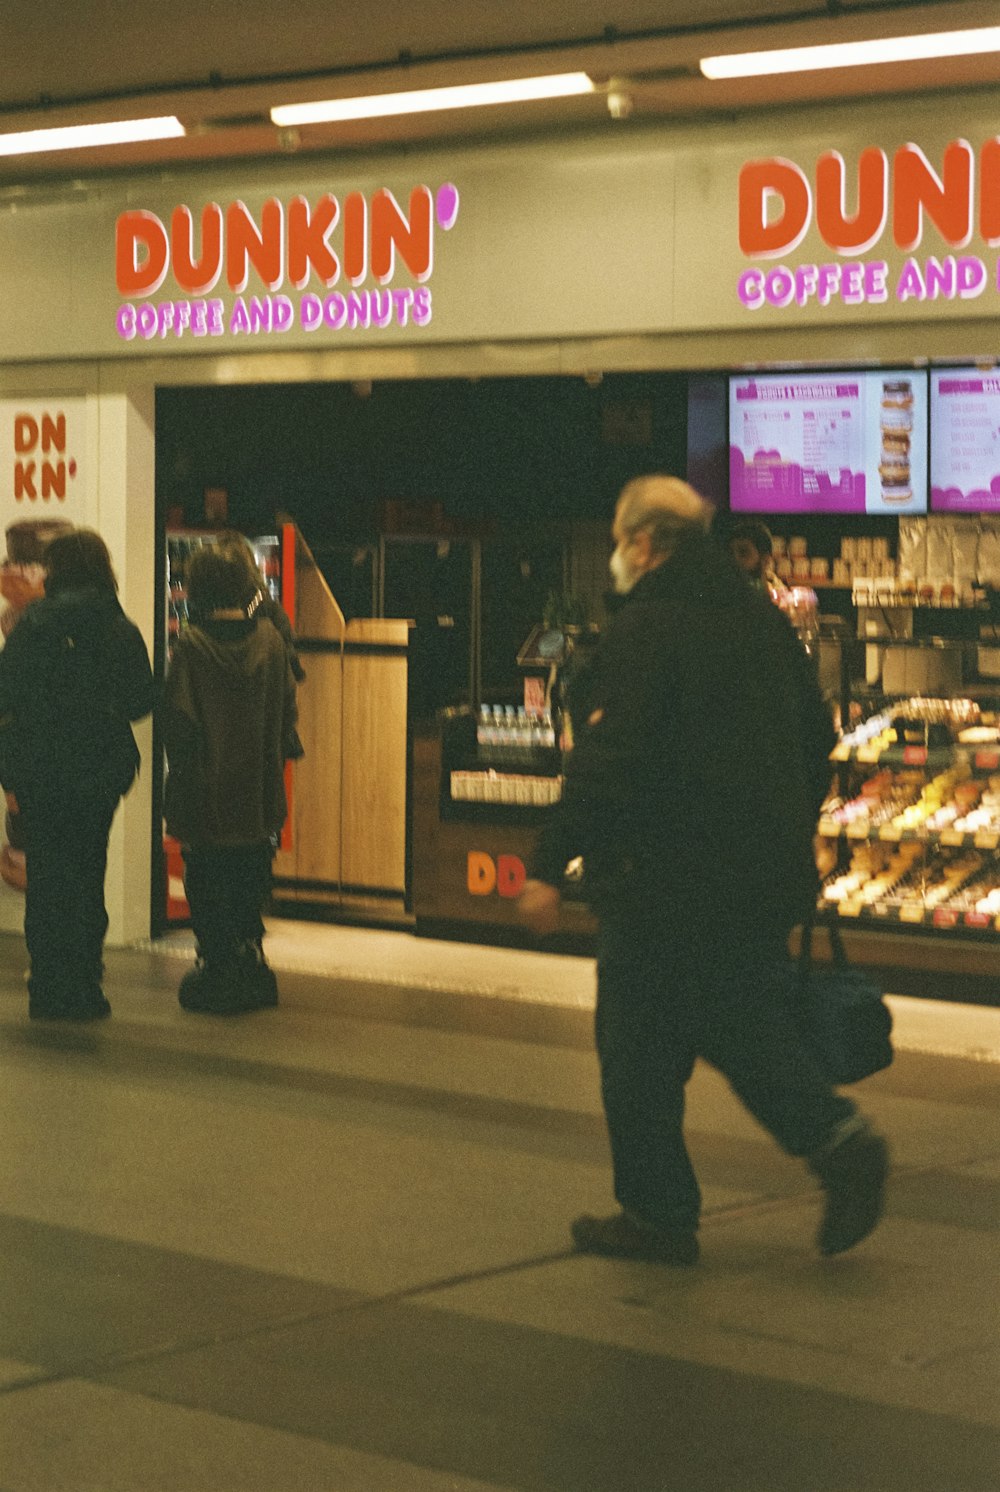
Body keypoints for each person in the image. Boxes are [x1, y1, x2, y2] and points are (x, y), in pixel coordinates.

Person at [518, 476, 888, 1264]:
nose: (618, 557)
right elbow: (815, 743)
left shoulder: (646, 629)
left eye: (621, 541)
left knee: (647, 1042)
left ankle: (815, 1151)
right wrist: (782, 832)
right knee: (709, 1026)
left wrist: (549, 864)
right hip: (754, 877)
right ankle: (684, 1200)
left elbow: (608, 758)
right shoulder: (761, 624)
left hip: (663, 883)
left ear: (648, 544)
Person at [0, 528, 154, 1020]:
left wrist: (11, 774)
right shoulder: (119, 627)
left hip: (40, 771)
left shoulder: (33, 626)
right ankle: (85, 985)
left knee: (46, 879)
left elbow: (6, 700)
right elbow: (140, 702)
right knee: (88, 872)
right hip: (97, 773)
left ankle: (48, 986)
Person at [163, 544, 301, 1015]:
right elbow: (288, 717)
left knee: (206, 878)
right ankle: (248, 962)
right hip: (257, 795)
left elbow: (178, 727)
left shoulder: (191, 646)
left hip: (204, 797)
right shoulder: (270, 642)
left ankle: (215, 965)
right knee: (249, 876)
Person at [727, 517, 788, 592]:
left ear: (765, 559)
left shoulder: (777, 596)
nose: (735, 559)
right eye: (730, 553)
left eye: (743, 552)